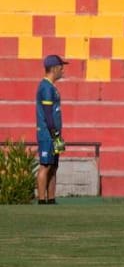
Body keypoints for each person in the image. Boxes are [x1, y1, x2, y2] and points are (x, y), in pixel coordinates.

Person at [35, 55, 68, 205]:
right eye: (61, 67)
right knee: (45, 165)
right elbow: (48, 113)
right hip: (47, 134)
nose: (63, 70)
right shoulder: (46, 87)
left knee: (54, 166)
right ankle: (42, 200)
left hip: (55, 134)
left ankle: (52, 199)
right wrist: (54, 132)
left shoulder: (51, 87)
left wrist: (57, 134)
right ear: (54, 69)